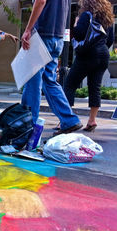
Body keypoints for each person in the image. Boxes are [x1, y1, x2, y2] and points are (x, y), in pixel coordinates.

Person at [21, 0, 82, 136]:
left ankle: (27, 127)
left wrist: (28, 29)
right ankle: (69, 120)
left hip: (43, 34)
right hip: (57, 37)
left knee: (33, 82)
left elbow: (41, 1)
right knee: (49, 81)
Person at [64, 0, 114, 132]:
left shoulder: (86, 15)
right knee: (95, 87)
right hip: (103, 55)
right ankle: (92, 120)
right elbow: (110, 39)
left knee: (70, 84)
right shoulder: (108, 18)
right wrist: (100, 49)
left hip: (87, 55)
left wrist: (75, 24)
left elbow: (79, 34)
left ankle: (66, 120)